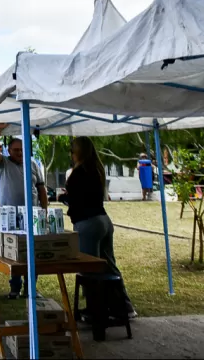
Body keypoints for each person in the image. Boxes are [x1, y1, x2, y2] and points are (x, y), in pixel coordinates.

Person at [66, 137, 136, 319]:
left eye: (72, 151)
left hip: (87, 223)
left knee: (90, 269)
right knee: (109, 265)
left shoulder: (79, 173)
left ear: (78, 152)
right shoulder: (96, 169)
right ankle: (123, 307)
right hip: (103, 220)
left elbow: (77, 199)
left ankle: (96, 310)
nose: (71, 155)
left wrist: (65, 197)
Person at [0, 123, 48, 299]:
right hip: (10, 218)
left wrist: (44, 212)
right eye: (16, 150)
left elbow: (41, 189)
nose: (20, 153)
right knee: (14, 252)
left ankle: (31, 288)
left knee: (32, 252)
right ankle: (15, 287)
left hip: (32, 217)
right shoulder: (3, 163)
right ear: (8, 151)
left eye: (22, 150)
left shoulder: (33, 164)